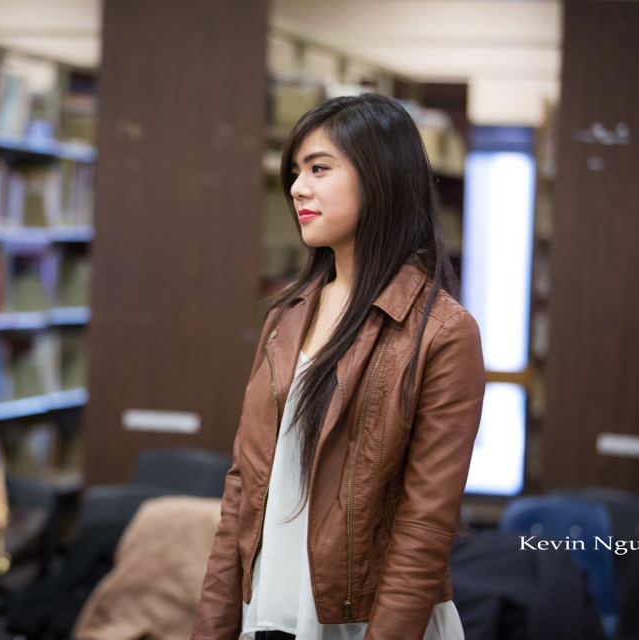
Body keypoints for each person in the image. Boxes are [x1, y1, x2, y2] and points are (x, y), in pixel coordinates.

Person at [192, 93, 485, 640]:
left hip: (367, 622)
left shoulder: (443, 332)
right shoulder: (287, 315)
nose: (298, 188)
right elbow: (242, 490)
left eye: (319, 169)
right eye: (296, 172)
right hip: (269, 611)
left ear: (381, 177)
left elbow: (424, 528)